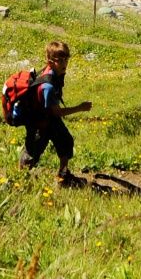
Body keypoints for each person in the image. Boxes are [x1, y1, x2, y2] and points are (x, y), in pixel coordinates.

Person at [16, 40, 90, 181]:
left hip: (49, 118)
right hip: (39, 122)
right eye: (60, 60)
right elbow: (58, 112)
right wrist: (80, 108)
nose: (64, 63)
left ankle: (63, 175)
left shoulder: (56, 72)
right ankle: (19, 179)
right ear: (50, 61)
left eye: (66, 59)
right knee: (32, 152)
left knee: (66, 142)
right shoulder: (48, 86)